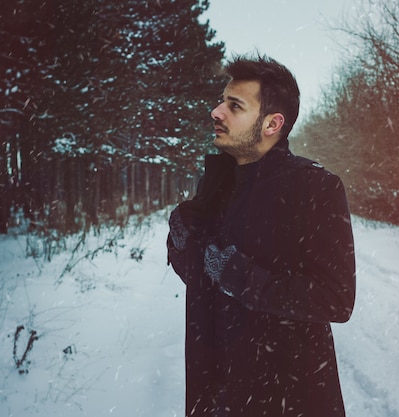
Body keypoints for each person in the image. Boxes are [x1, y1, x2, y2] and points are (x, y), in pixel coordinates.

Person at [167, 54, 356, 417]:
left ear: (272, 123)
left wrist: (238, 274)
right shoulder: (218, 183)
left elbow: (336, 299)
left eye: (233, 105)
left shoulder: (316, 187)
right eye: (222, 100)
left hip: (286, 397)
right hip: (213, 392)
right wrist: (180, 240)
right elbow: (199, 275)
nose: (216, 112)